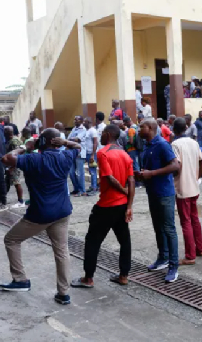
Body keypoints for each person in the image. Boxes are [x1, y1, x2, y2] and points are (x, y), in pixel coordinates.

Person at [0, 129, 82, 305]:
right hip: (62, 211)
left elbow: (6, 159)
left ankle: (20, 279)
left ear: (41, 143)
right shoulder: (65, 157)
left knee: (11, 240)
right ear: (57, 142)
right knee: (61, 251)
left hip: (40, 214)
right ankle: (63, 293)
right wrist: (65, 142)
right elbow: (78, 147)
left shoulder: (33, 159)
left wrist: (22, 147)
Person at [70, 124, 135, 288]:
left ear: (107, 134)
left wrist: (123, 191)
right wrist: (129, 205)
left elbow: (110, 178)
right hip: (122, 205)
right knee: (124, 241)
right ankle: (123, 276)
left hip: (107, 205)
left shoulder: (103, 152)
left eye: (101, 134)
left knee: (92, 241)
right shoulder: (125, 154)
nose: (100, 136)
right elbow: (132, 180)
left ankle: (88, 278)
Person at [137, 119, 181, 282]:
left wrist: (152, 173)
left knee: (169, 228)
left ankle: (173, 266)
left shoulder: (162, 144)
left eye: (141, 126)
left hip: (164, 193)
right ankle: (163, 258)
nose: (138, 129)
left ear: (150, 128)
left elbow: (175, 166)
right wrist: (142, 174)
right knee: (158, 227)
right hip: (153, 192)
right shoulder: (147, 145)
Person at [171, 118, 202, 265]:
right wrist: (196, 176)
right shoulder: (194, 142)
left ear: (174, 130)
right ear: (186, 128)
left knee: (186, 221)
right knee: (194, 219)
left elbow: (176, 166)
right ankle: (199, 249)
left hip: (182, 188)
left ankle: (190, 255)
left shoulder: (175, 144)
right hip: (193, 186)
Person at [4, 126, 26, 208]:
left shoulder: (14, 141)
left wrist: (12, 167)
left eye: (5, 131)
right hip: (11, 165)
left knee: (16, 182)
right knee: (6, 182)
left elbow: (17, 155)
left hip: (14, 165)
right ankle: (2, 200)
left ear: (8, 132)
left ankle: (21, 201)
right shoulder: (13, 139)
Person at [68, 116, 88, 197]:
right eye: (74, 119)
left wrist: (69, 140)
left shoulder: (83, 129)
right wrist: (70, 140)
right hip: (72, 151)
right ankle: (76, 189)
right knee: (71, 172)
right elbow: (69, 138)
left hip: (80, 152)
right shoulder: (74, 129)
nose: (75, 121)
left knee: (80, 173)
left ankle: (82, 190)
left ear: (82, 121)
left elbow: (76, 139)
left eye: (77, 119)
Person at [83, 117, 99, 194]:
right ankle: (92, 186)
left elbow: (95, 143)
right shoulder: (87, 131)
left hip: (92, 153)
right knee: (90, 171)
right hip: (87, 153)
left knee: (93, 171)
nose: (83, 123)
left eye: (84, 122)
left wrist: (93, 154)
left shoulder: (93, 131)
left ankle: (94, 187)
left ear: (88, 122)